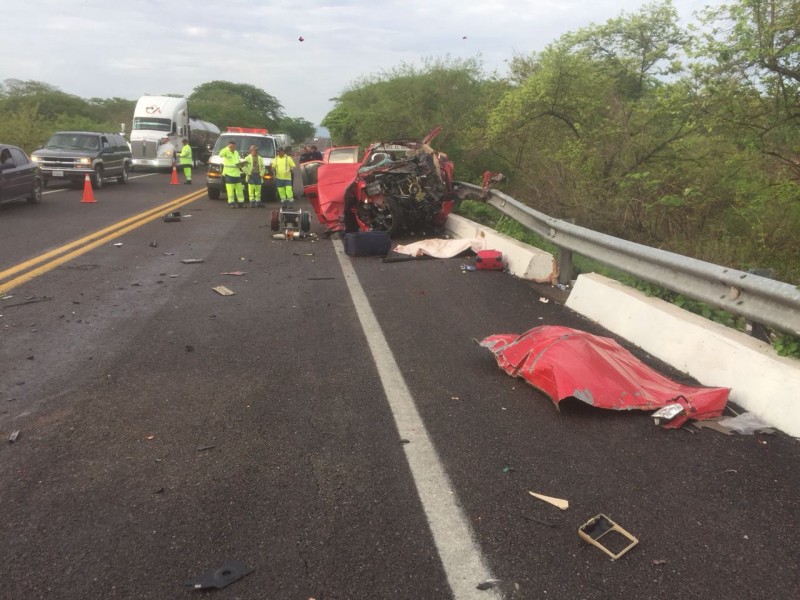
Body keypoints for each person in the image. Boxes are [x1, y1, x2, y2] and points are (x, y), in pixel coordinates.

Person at [219, 140, 246, 207]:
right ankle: (231, 203)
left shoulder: (236, 152)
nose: (232, 148)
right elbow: (220, 155)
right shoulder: (226, 151)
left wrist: (241, 164)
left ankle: (241, 202)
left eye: (233, 147)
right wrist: (226, 148)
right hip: (229, 174)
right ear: (228, 146)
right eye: (230, 147)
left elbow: (237, 161)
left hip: (237, 174)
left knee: (239, 190)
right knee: (230, 190)